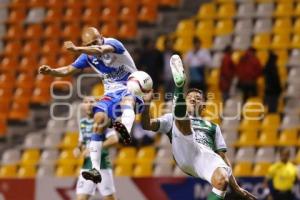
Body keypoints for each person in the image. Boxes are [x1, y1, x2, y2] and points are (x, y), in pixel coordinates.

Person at [141, 55, 257, 200]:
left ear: (203, 107)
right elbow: (147, 125)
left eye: (198, 99)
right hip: (185, 152)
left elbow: (222, 157)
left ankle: (179, 92)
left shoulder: (213, 127)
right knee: (182, 121)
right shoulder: (170, 119)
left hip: (205, 156)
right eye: (190, 98)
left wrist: (236, 187)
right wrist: (145, 105)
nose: (194, 100)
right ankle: (179, 88)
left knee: (222, 181)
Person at [38, 27, 144, 183]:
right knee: (99, 120)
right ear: (85, 43)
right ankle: (95, 169)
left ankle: (125, 130)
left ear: (102, 36)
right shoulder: (86, 56)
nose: (95, 44)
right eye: (90, 43)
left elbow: (101, 49)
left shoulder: (113, 43)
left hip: (131, 85)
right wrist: (51, 72)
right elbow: (68, 69)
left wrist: (77, 48)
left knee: (127, 100)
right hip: (111, 93)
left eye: (96, 40)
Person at [76, 96, 118, 200]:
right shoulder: (83, 123)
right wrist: (77, 149)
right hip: (87, 166)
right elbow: (81, 143)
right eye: (86, 102)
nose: (89, 104)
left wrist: (93, 149)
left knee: (109, 198)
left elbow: (114, 139)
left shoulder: (104, 120)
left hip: (102, 165)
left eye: (91, 102)